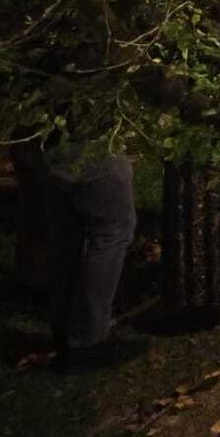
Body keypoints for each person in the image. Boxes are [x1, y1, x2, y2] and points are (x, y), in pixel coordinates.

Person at [44, 143, 140, 369]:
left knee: (68, 240)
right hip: (92, 144)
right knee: (113, 232)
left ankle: (66, 332)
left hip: (54, 145)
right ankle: (88, 339)